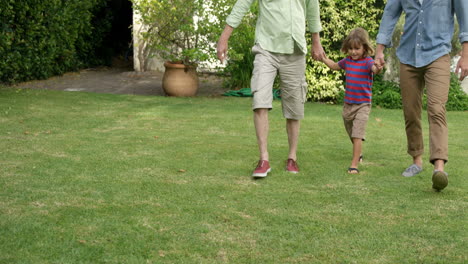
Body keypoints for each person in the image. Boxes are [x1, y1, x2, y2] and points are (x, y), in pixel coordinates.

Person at [217, 0, 325, 178]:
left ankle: (292, 157)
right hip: (266, 48)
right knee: (260, 100)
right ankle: (263, 159)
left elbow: (313, 9)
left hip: (295, 50)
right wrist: (224, 37)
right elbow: (242, 4)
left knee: (294, 107)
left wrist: (316, 41)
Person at [375, 0, 468, 191]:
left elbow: (464, 15)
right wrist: (379, 50)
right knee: (410, 111)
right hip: (408, 56)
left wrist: (466, 55)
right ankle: (416, 161)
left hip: (438, 54)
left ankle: (439, 168)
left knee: (436, 108)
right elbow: (390, 14)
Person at [320, 28, 383, 174]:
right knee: (351, 131)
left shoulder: (367, 61)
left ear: (364, 48)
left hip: (363, 105)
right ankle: (358, 150)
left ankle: (354, 165)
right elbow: (335, 66)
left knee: (357, 134)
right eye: (350, 49)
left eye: (357, 48)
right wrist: (323, 59)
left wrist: (378, 67)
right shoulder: (347, 61)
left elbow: (374, 69)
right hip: (348, 104)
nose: (353, 52)